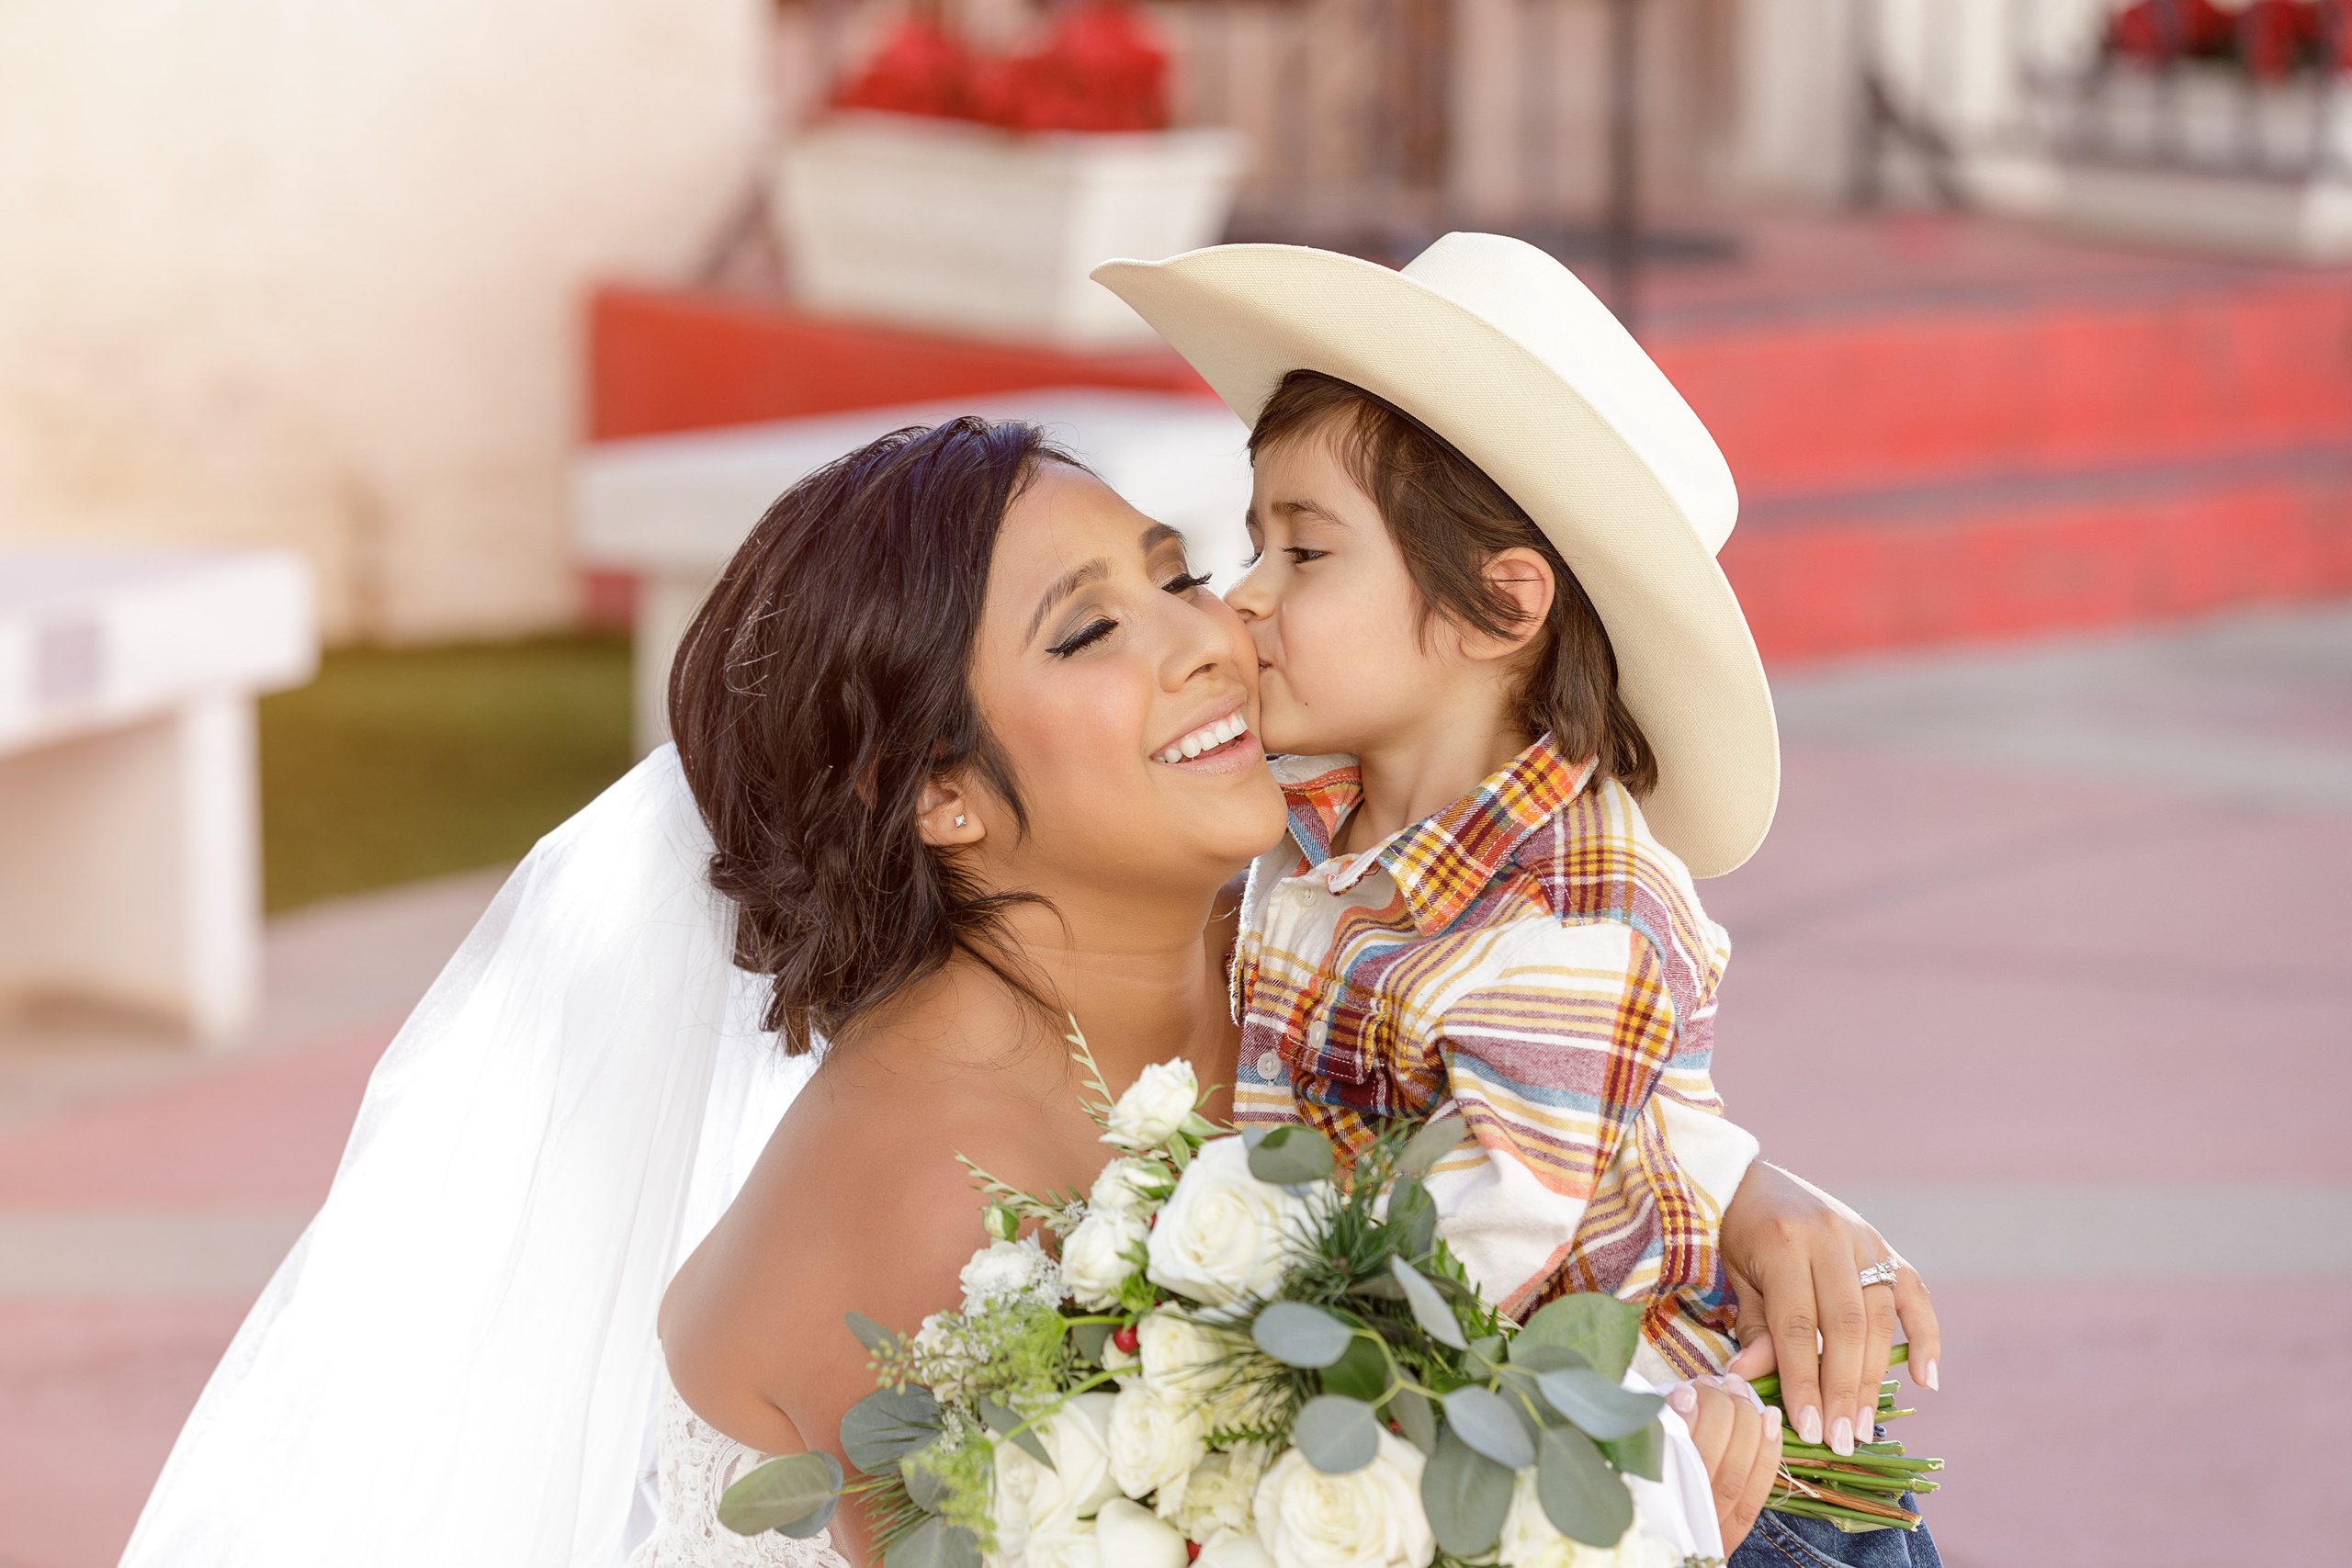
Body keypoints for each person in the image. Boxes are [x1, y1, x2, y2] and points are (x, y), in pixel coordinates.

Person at [121, 421, 1902, 1568]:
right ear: (943, 795)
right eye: (1086, 628)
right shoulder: (932, 1182)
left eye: (1175, 567)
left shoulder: (1278, 923)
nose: (1211, 631)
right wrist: (1644, 1516)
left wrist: (1733, 1180)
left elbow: (1515, 1048)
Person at [1092, 234, 1941, 1564]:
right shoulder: (1327, 818)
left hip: (1635, 1479)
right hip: (1460, 1436)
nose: (1242, 600)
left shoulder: (1571, 916)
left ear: (1499, 606)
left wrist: (1201, 1361)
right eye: (1251, 543)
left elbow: (1462, 1261)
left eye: (1304, 555)